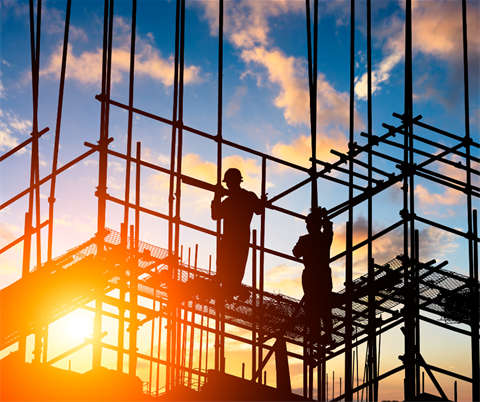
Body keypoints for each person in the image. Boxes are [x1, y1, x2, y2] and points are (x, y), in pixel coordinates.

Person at [211, 168, 265, 297]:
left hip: (231, 238)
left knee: (229, 266)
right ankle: (230, 289)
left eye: (228, 183)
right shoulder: (248, 196)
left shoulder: (230, 201)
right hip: (240, 238)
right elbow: (259, 210)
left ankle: (228, 289)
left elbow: (215, 215)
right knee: (235, 266)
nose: (228, 186)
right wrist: (261, 201)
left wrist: (216, 196)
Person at [292, 207, 333, 343]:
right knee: (322, 305)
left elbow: (296, 252)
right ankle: (324, 334)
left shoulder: (306, 240)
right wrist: (324, 218)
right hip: (320, 274)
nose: (308, 227)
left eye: (310, 224)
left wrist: (324, 218)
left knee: (315, 305)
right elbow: (328, 229)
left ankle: (317, 334)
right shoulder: (323, 238)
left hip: (312, 274)